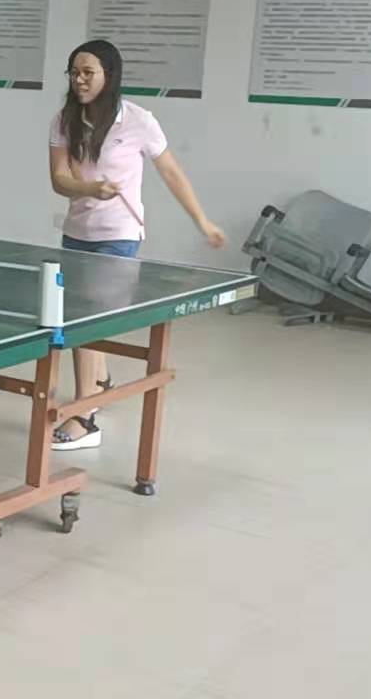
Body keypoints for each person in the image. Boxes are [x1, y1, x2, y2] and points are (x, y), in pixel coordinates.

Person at [45, 39, 226, 450]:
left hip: (120, 235)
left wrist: (202, 221)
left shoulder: (139, 121)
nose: (79, 80)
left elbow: (172, 174)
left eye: (88, 72)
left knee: (85, 319)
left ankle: (85, 416)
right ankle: (100, 378)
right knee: (84, 318)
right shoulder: (64, 120)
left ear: (109, 75)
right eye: (74, 72)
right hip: (77, 233)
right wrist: (90, 188)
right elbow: (59, 180)